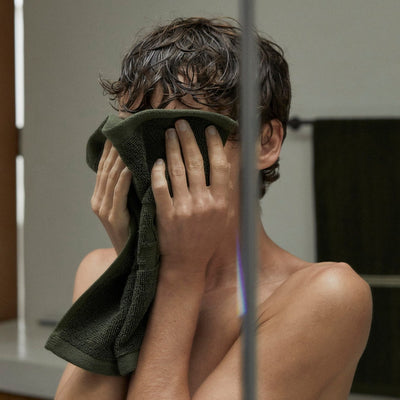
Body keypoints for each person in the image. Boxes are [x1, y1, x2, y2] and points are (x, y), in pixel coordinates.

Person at [54, 17, 372, 400]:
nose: (152, 164)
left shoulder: (326, 296)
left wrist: (181, 273)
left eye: (180, 133)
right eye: (130, 132)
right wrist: (134, 276)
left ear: (265, 142)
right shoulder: (99, 269)